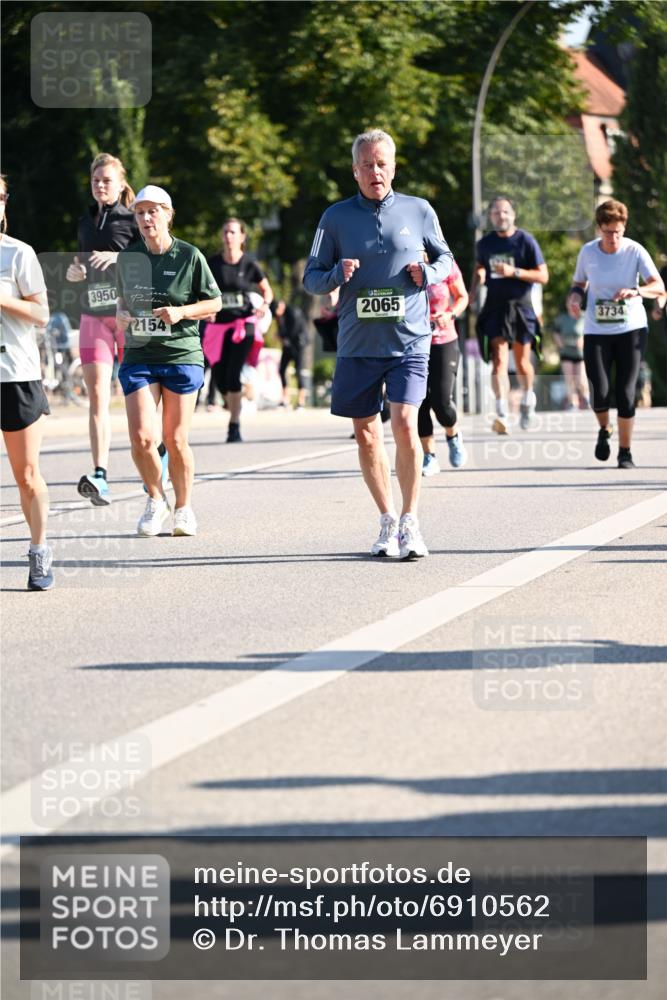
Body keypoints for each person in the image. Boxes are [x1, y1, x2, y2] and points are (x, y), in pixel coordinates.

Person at [303, 128, 453, 560]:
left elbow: (446, 259)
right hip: (357, 343)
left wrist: (430, 274)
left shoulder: (419, 210)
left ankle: (411, 521)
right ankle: (387, 520)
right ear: (355, 171)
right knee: (367, 435)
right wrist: (336, 275)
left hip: (410, 340)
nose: (375, 171)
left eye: (382, 163)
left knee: (405, 423)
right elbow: (311, 277)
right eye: (367, 164)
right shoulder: (334, 218)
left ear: (394, 166)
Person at [115, 185, 222, 536]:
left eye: (153, 211)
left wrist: (181, 312)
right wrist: (122, 317)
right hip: (140, 354)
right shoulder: (128, 258)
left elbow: (214, 303)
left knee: (175, 439)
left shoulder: (190, 256)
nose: (146, 218)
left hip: (181, 354)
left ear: (168, 214)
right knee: (143, 438)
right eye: (140, 212)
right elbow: (120, 304)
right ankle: (155, 499)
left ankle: (184, 508)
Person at [66, 152, 146, 506]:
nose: (100, 185)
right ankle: (100, 474)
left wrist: (119, 259)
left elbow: (150, 261)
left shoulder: (134, 220)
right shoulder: (85, 222)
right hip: (93, 313)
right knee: (98, 395)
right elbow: (82, 264)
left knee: (137, 394)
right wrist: (75, 272)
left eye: (107, 180)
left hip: (128, 314)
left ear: (120, 184)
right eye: (96, 180)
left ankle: (153, 457)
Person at [567, 199, 664, 469]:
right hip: (596, 329)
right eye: (608, 232)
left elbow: (658, 285)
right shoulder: (588, 252)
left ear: (624, 228)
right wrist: (574, 298)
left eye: (618, 232)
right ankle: (604, 428)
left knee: (625, 390)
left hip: (631, 328)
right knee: (599, 389)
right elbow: (579, 283)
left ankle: (625, 452)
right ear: (599, 229)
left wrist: (637, 291)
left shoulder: (634, 251)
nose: (613, 238)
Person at [0, 174, 54, 589]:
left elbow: (41, 315)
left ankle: (38, 551)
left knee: (27, 474)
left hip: (15, 375)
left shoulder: (18, 254)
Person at [471, 195, 549, 433]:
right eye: (495, 212)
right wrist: (478, 282)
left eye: (505, 212)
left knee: (523, 361)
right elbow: (479, 267)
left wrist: (513, 271)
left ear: (513, 215)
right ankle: (502, 411)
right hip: (495, 306)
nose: (500, 216)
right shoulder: (485, 244)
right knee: (499, 360)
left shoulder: (525, 240)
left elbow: (543, 276)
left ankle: (527, 399)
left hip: (521, 306)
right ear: (490, 217)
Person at [202, 218, 273, 442]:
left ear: (242, 237)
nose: (229, 236)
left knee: (233, 373)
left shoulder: (249, 263)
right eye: (226, 232)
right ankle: (237, 396)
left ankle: (234, 425)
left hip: (244, 325)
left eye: (233, 232)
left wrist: (264, 305)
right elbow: (200, 290)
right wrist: (205, 309)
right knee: (221, 377)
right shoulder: (212, 263)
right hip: (219, 326)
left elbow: (266, 290)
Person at [419, 262, 469, 475]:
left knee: (441, 402)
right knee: (418, 403)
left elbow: (462, 297)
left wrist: (450, 315)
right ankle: (429, 456)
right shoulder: (401, 262)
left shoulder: (445, 262)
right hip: (413, 344)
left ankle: (453, 434)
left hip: (443, 341)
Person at [272, 298, 309, 409]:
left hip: (299, 345)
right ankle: (285, 399)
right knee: (282, 370)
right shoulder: (279, 316)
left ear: (282, 305)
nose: (276, 315)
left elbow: (294, 331)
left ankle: (301, 402)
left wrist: (282, 336)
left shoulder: (293, 312)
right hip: (288, 346)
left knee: (298, 371)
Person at [552, 304, 589, 410]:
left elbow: (590, 331)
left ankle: (586, 399)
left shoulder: (584, 317)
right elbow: (555, 331)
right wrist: (560, 342)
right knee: (569, 378)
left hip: (580, 353)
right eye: (570, 302)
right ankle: (572, 402)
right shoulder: (562, 318)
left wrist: (583, 340)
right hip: (566, 352)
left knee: (581, 378)